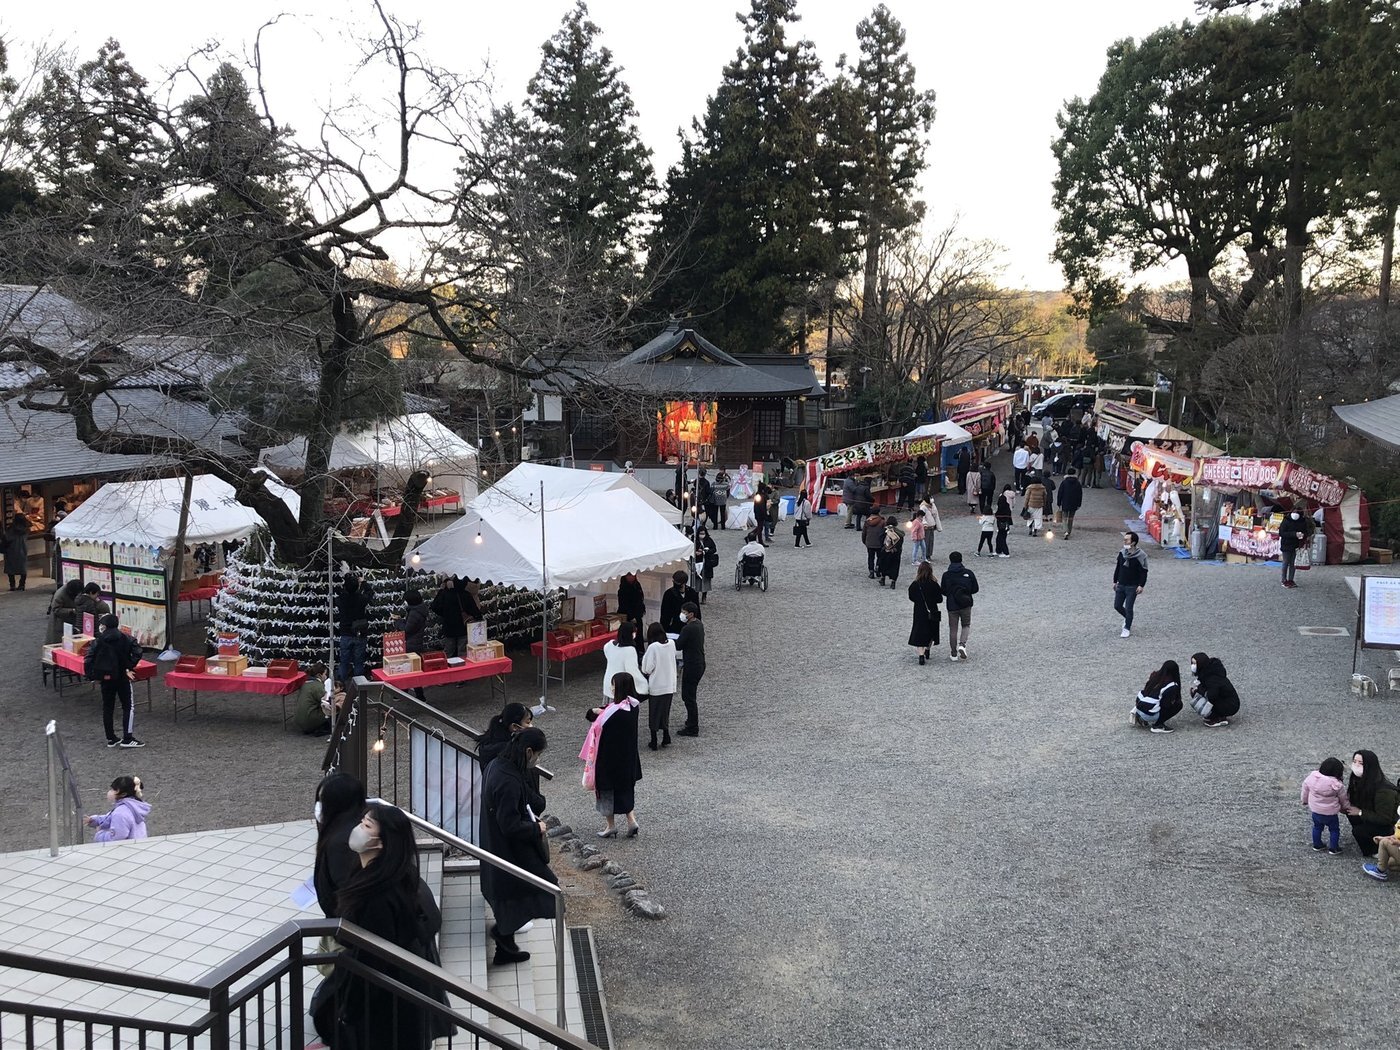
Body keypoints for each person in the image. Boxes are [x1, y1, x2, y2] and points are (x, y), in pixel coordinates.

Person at [328, 804, 445, 1047]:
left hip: (386, 1003)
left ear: (382, 842)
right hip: (401, 994)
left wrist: (350, 1008)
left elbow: (371, 958)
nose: (358, 828)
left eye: (367, 826)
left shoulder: (377, 895)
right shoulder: (394, 876)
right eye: (361, 821)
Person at [479, 728, 558, 964]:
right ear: (529, 751)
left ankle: (505, 943)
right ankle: (503, 935)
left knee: (511, 895)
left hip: (497, 844)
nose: (538, 760)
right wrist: (537, 829)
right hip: (510, 848)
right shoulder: (508, 780)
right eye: (538, 755)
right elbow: (510, 825)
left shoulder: (498, 765)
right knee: (545, 888)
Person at [583, 671, 643, 838]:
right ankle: (631, 820)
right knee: (625, 790)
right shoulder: (633, 706)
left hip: (609, 760)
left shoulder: (613, 712)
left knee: (607, 792)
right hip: (628, 759)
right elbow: (601, 713)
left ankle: (610, 826)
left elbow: (596, 719)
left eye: (613, 684)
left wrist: (595, 711)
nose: (611, 687)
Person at [86, 613, 145, 748]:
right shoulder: (126, 638)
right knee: (127, 706)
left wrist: (91, 675)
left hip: (105, 678)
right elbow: (138, 651)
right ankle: (127, 737)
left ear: (104, 626)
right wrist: (129, 665)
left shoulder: (98, 640)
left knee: (108, 707)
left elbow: (89, 658)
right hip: (122, 676)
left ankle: (111, 738)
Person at [313, 772, 367, 918]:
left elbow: (348, 890)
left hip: (348, 928)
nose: (319, 806)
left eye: (322, 800)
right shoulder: (351, 829)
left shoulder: (342, 843)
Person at [1346, 750, 1399, 857]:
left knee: (1358, 831)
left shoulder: (1384, 791)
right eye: (1354, 761)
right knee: (1351, 813)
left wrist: (1360, 812)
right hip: (1373, 814)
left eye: (1361, 763)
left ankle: (1376, 851)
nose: (1356, 765)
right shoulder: (1358, 780)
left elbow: (1386, 819)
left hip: (1390, 826)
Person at [1301, 757, 1354, 856]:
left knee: (1317, 827)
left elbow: (1305, 789)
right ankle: (1333, 848)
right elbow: (1343, 798)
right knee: (1334, 830)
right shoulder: (1337, 785)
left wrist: (1304, 800)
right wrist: (1346, 808)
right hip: (1330, 813)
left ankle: (1317, 845)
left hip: (1316, 811)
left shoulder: (1312, 777)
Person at [640, 623, 676, 750]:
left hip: (656, 685)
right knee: (665, 712)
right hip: (669, 684)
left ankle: (654, 740)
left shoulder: (653, 647)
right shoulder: (671, 643)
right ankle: (666, 735)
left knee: (654, 713)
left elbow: (647, 669)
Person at [335, 574, 373, 686]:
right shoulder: (361, 599)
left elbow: (340, 593)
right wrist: (364, 582)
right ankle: (358, 687)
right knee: (359, 663)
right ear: (357, 587)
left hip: (345, 634)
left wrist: (346, 580)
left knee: (344, 662)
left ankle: (340, 686)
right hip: (359, 633)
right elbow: (370, 593)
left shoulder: (341, 599)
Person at [86, 775, 149, 842]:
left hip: (127, 850)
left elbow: (116, 838)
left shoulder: (120, 813)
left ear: (123, 794)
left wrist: (99, 835)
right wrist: (95, 820)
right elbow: (110, 818)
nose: (110, 792)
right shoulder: (133, 806)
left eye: (113, 790)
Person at [430, 577, 481, 659]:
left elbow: (434, 607)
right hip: (463, 627)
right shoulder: (465, 594)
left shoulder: (444, 594)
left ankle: (448, 669)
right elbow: (475, 611)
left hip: (448, 626)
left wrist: (444, 614)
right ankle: (463, 669)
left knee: (448, 652)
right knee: (463, 651)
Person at [674, 601, 705, 736]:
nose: (682, 615)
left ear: (691, 614)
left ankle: (693, 726)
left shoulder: (688, 629)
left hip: (692, 665)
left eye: (684, 613)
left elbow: (679, 645)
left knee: (688, 696)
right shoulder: (699, 624)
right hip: (699, 662)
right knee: (690, 694)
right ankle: (691, 721)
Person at [940, 552, 979, 662]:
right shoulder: (968, 573)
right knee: (966, 625)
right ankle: (962, 644)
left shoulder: (946, 575)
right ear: (961, 560)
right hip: (966, 603)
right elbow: (975, 588)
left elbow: (943, 590)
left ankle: (953, 653)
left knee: (953, 629)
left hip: (952, 605)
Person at [1187, 652, 1240, 728]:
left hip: (1230, 705)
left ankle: (1216, 717)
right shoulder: (1209, 672)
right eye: (1192, 663)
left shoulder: (1212, 678)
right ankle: (1218, 715)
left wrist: (1198, 690)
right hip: (1228, 701)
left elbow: (1211, 696)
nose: (1193, 666)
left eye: (1195, 664)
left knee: (1199, 695)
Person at [906, 562, 944, 665]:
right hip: (932, 610)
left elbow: (911, 597)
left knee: (919, 632)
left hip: (919, 611)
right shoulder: (934, 584)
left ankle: (921, 655)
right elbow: (940, 599)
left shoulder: (915, 584)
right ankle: (928, 649)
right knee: (932, 631)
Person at [1113, 531, 1148, 638]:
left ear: (1133, 542)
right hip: (1121, 584)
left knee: (1129, 607)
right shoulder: (1122, 553)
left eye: (1127, 539)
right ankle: (1128, 618)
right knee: (1117, 606)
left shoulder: (1141, 555)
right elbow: (1118, 567)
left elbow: (1144, 571)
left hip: (1132, 586)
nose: (1124, 541)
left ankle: (1127, 627)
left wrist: (1141, 585)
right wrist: (1115, 581)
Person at [602, 622, 649, 701]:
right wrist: (644, 683)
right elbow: (632, 671)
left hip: (608, 681)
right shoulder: (630, 650)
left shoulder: (609, 645)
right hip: (620, 685)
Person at [1131, 660, 1182, 733]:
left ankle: (1141, 717)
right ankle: (1158, 725)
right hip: (1149, 713)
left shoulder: (1154, 675)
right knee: (1178, 705)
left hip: (1140, 707)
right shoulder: (1171, 685)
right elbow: (1165, 705)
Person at [477, 702, 535, 767]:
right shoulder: (509, 749)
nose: (531, 725)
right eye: (528, 722)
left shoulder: (492, 737)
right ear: (514, 727)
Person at [402, 589, 429, 701]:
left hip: (411, 645)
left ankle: (420, 696)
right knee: (411, 669)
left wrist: (398, 622)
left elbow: (407, 629)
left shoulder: (414, 613)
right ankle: (405, 691)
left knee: (412, 670)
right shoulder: (420, 610)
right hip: (417, 643)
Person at [293, 662, 334, 735]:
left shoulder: (305, 684)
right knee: (333, 708)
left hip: (298, 719)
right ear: (319, 675)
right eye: (325, 674)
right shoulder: (318, 686)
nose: (326, 677)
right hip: (309, 719)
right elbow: (327, 702)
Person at [1279, 508, 1315, 588]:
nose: (1295, 514)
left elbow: (1306, 531)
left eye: (1297, 513)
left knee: (1293, 563)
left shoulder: (1302, 521)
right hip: (1286, 544)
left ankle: (1291, 579)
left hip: (1296, 545)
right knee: (1285, 562)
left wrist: (1302, 535)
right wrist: (1294, 534)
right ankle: (1283, 580)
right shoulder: (1286, 520)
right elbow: (1282, 533)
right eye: (1294, 512)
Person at [46, 578, 82, 645]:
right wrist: (71, 611)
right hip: (60, 621)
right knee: (59, 642)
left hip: (70, 620)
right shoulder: (60, 595)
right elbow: (56, 610)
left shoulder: (74, 589)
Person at [3, 514, 30, 591]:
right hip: (22, 549)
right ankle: (22, 584)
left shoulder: (10, 529)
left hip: (11, 550)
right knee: (23, 568)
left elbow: (6, 538)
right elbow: (30, 524)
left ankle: (12, 585)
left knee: (10, 568)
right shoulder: (26, 529)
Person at [693, 526, 718, 605]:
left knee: (706, 580)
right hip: (698, 563)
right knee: (697, 581)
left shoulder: (709, 540)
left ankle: (704, 596)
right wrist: (696, 553)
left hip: (707, 564)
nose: (702, 535)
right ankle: (696, 597)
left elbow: (714, 549)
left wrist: (705, 551)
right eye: (700, 533)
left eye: (703, 533)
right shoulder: (695, 541)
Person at [1056, 468, 1084, 539]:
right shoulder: (1077, 483)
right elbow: (1080, 494)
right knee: (1071, 518)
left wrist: (1059, 502)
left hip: (1065, 502)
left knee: (1064, 517)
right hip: (1074, 503)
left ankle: (1065, 531)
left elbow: (1060, 493)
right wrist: (1079, 504)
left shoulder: (1064, 482)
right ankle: (1069, 531)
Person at [877, 517, 904, 588]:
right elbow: (900, 542)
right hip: (895, 552)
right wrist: (895, 548)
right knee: (895, 566)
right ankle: (893, 582)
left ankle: (883, 579)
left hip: (885, 551)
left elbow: (880, 539)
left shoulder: (884, 531)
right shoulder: (899, 532)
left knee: (884, 564)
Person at [862, 509, 887, 579]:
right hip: (879, 543)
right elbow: (885, 532)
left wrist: (865, 541)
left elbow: (864, 533)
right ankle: (878, 568)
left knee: (870, 557)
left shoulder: (867, 521)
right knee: (880, 557)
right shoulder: (882, 521)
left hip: (869, 542)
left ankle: (871, 572)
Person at [994, 487, 1014, 558]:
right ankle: (998, 550)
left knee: (1001, 539)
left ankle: (1006, 552)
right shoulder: (1007, 506)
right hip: (1005, 525)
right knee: (999, 538)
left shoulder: (1001, 508)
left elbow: (998, 515)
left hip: (1002, 525)